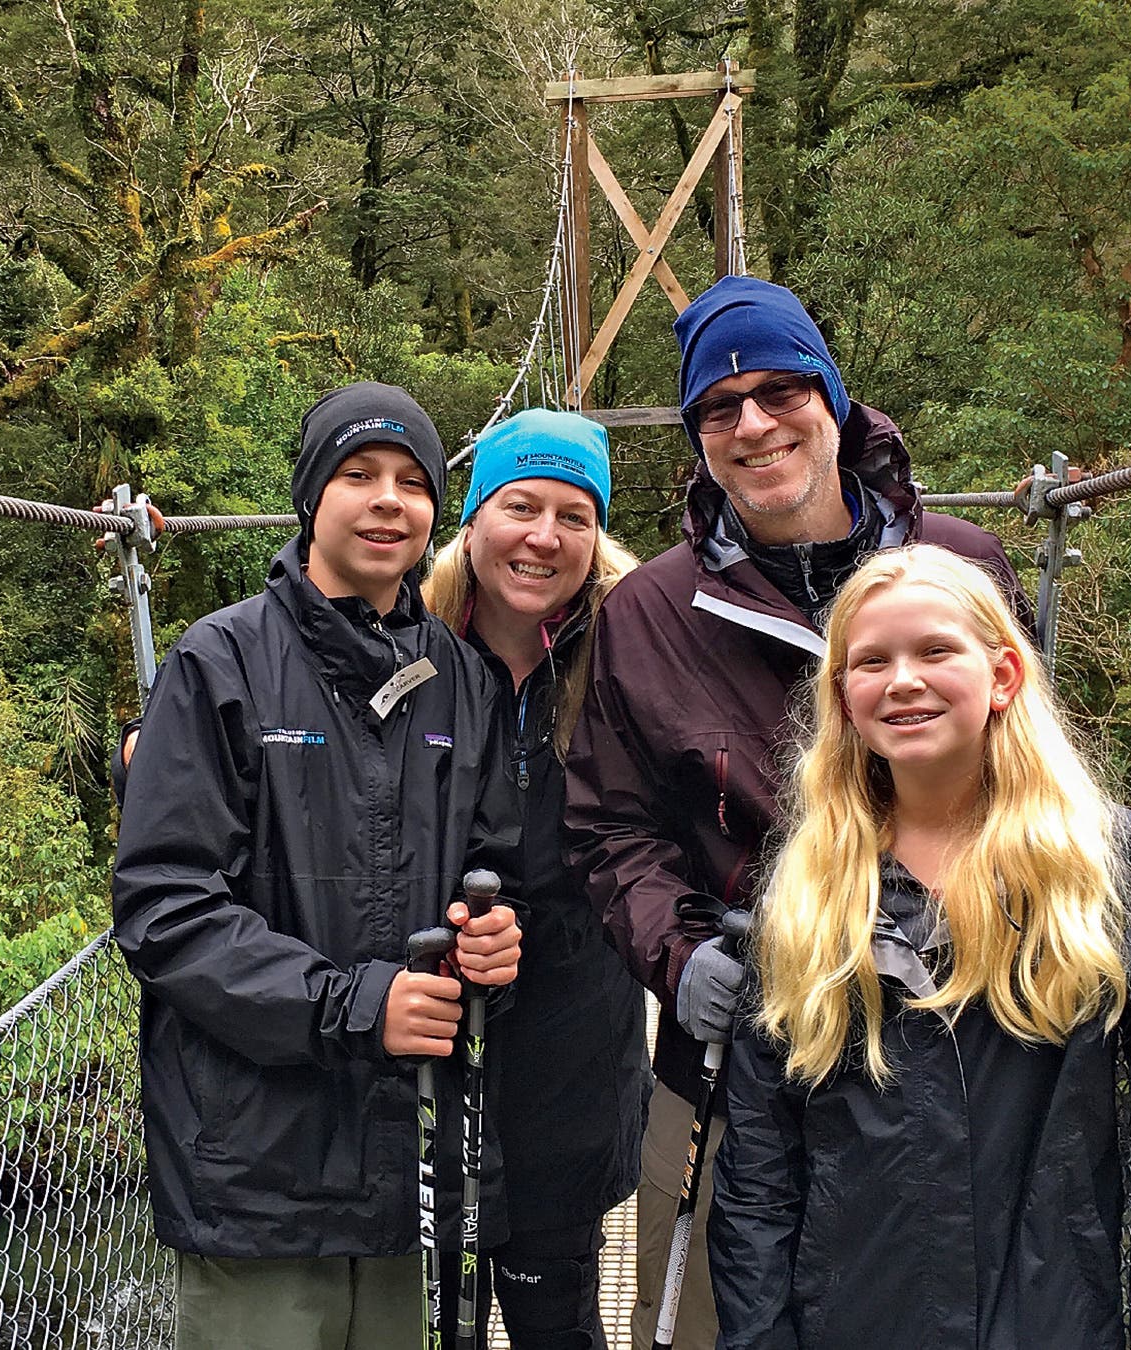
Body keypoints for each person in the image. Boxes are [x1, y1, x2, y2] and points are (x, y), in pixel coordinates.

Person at [564, 275, 1026, 1348]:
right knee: (701, 1322)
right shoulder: (650, 613)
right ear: (696, 439)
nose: (754, 425)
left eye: (781, 391)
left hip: (958, 1039)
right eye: (719, 410)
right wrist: (680, 962)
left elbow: (1030, 773)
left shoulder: (962, 565)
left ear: (835, 398)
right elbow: (608, 827)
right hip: (738, 1052)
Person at [706, 544, 1131, 1348]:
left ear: (1003, 677)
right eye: (871, 662)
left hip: (1052, 1310)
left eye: (935, 651)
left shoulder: (1096, 861)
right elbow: (759, 1152)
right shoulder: (809, 882)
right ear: (844, 698)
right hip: (853, 1312)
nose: (902, 680)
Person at [111, 381, 526, 1350]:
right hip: (256, 1168)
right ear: (310, 497)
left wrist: (497, 947)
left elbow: (492, 865)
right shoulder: (220, 663)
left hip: (403, 1161)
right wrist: (354, 1005)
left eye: (412, 483)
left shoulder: (461, 681)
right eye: (358, 475)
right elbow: (163, 909)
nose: (388, 500)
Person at [421, 409, 648, 1349]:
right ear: (472, 520)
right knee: (437, 1315)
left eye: (573, 514)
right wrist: (149, 737)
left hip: (576, 1042)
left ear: (597, 536)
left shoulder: (638, 646)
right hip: (431, 1030)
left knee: (558, 1306)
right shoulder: (402, 642)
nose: (543, 537)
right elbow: (272, 700)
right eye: (519, 505)